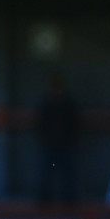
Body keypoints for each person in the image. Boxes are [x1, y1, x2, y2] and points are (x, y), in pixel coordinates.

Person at [35, 71, 81, 205]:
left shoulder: (68, 104)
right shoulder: (46, 104)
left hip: (65, 145)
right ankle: (44, 203)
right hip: (50, 145)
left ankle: (69, 203)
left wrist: (70, 140)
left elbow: (75, 123)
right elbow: (40, 123)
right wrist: (45, 139)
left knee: (67, 175)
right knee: (47, 174)